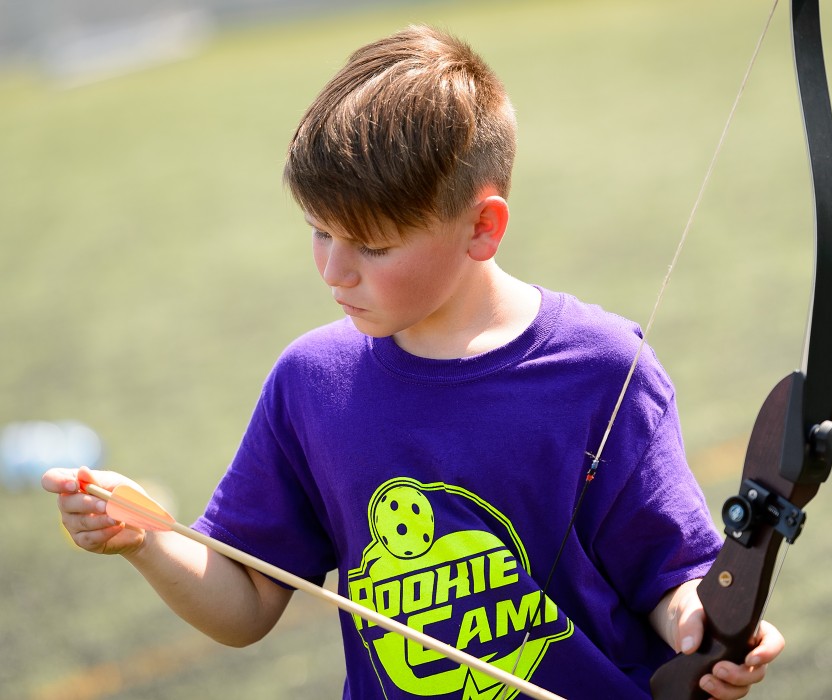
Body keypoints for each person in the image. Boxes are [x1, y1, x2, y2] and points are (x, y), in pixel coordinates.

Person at [43, 25, 784, 700]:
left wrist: (717, 631)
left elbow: (674, 581)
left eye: (371, 245)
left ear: (481, 227)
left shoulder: (600, 367)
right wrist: (149, 539)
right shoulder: (311, 383)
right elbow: (245, 607)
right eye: (318, 232)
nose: (334, 272)